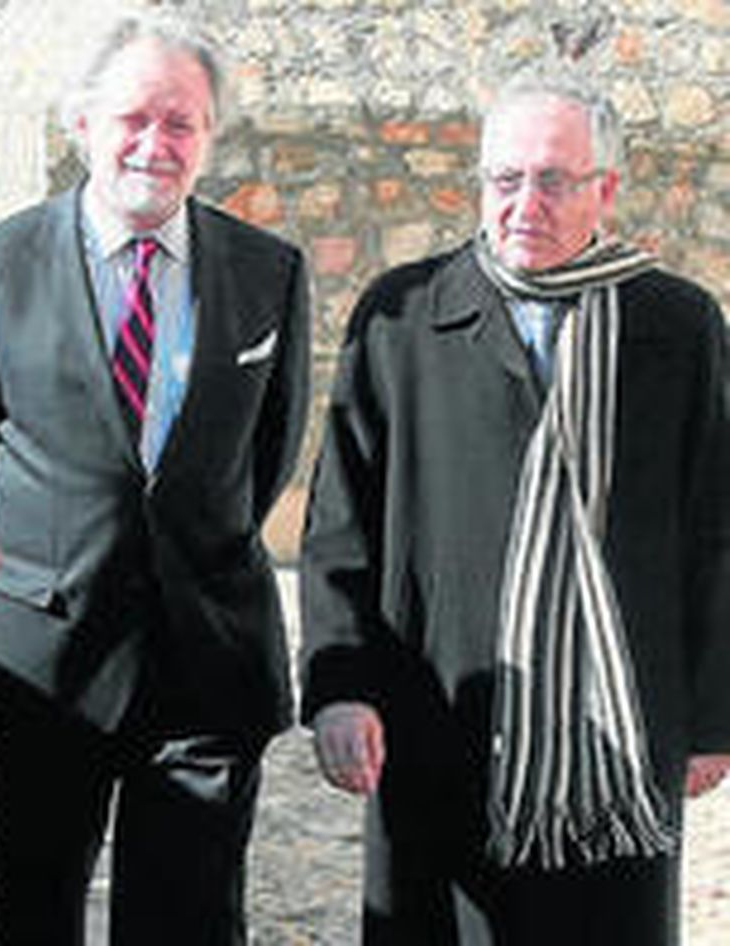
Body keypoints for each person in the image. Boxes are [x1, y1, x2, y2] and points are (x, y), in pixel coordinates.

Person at [299, 72, 730, 945]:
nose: (525, 204)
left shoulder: (678, 325)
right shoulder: (401, 318)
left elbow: (715, 526)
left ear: (606, 189)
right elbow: (341, 522)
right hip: (439, 717)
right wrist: (341, 690)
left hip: (618, 739)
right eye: (505, 179)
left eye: (555, 181)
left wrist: (714, 716)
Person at [0, 10, 310, 944]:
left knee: (191, 924)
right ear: (82, 124)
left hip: (207, 661)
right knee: (34, 919)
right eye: (134, 118)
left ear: (210, 135)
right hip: (42, 662)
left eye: (182, 123)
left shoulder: (268, 271)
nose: (156, 143)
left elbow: (265, 455)